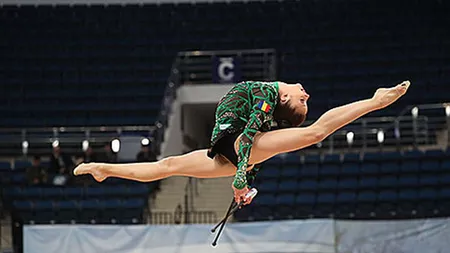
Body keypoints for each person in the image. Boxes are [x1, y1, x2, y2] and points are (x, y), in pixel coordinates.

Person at [74, 80, 410, 204]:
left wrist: (240, 178)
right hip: (230, 145)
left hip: (233, 144)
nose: (305, 94)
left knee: (314, 133)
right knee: (168, 166)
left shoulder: (266, 96)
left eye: (302, 100)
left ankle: (374, 102)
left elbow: (249, 136)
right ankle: (103, 168)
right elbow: (248, 138)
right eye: (304, 100)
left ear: (284, 101)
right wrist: (241, 176)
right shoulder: (265, 99)